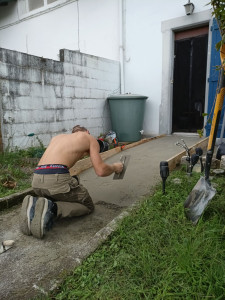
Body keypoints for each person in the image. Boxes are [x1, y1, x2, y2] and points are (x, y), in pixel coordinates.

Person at [19, 125, 123, 239]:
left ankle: (34, 204)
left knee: (63, 187)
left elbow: (56, 165)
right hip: (54, 181)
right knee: (87, 206)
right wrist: (115, 167)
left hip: (37, 181)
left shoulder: (57, 138)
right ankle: (51, 208)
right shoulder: (89, 138)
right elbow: (101, 171)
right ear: (87, 132)